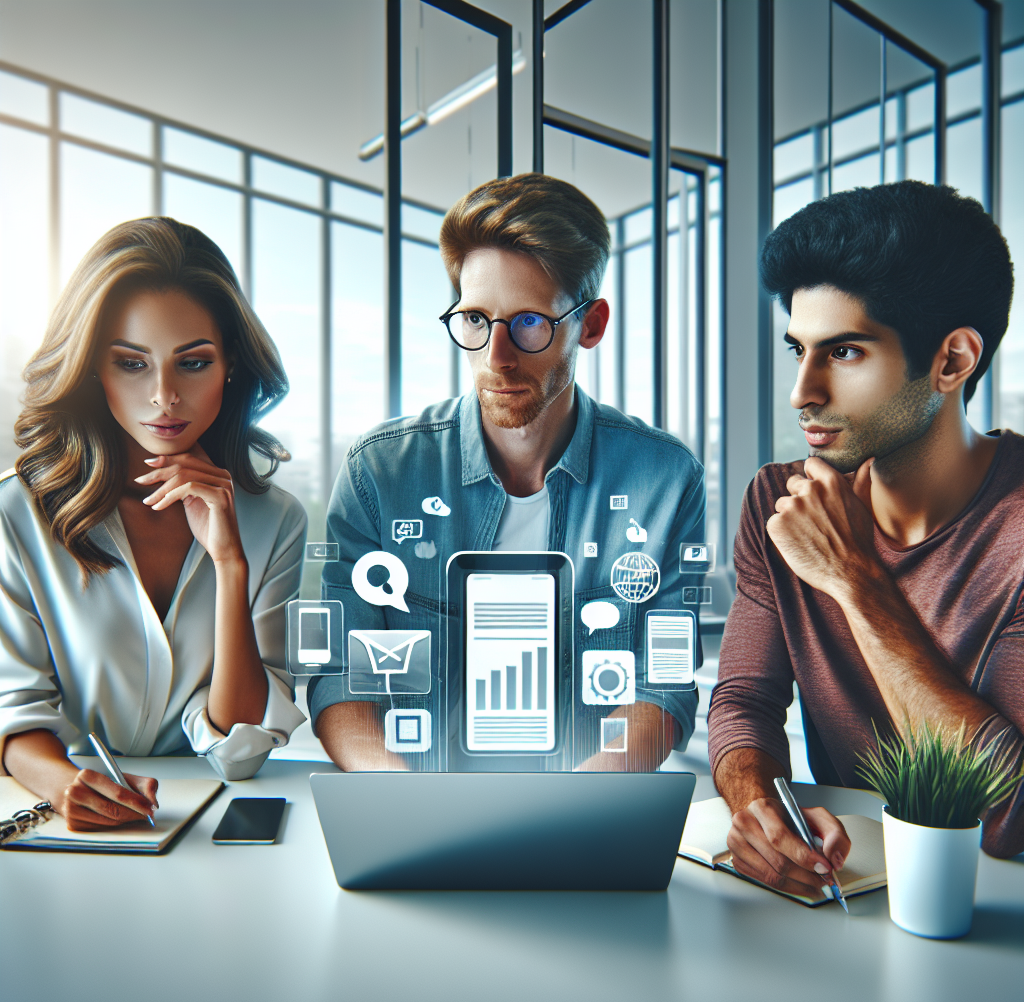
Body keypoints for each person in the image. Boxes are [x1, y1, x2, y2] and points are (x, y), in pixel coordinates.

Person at [309, 173, 706, 772]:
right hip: (420, 810)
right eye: (474, 320)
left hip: (580, 817)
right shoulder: (381, 472)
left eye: (529, 323)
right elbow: (341, 678)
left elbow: (660, 685)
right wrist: (408, 810)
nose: (497, 357)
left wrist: (567, 819)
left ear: (590, 325)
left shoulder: (664, 479)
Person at [708, 180, 1022, 895]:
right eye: (799, 351)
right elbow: (744, 703)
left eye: (844, 353)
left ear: (952, 361)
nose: (803, 391)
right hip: (843, 889)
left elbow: (1009, 812)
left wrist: (855, 579)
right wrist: (759, 805)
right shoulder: (779, 501)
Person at [0, 217, 307, 830]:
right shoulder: (17, 514)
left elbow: (241, 745)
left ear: (231, 369)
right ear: (93, 369)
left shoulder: (276, 521)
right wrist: (67, 787)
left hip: (218, 824)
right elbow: (15, 712)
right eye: (132, 364)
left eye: (192, 363)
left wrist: (229, 563)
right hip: (64, 825)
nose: (163, 397)